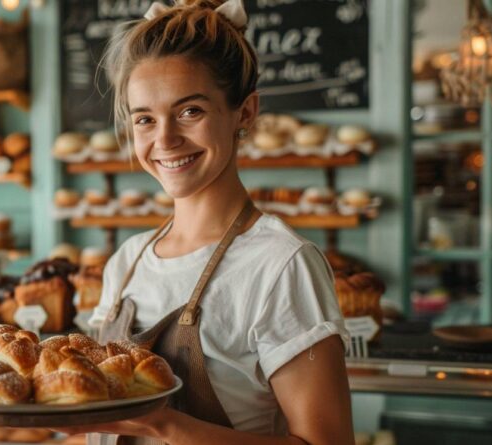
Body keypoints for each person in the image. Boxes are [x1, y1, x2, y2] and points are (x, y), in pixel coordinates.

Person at [56, 1, 354, 444]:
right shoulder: (128, 260)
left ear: (245, 113)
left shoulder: (280, 265)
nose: (165, 139)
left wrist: (165, 426)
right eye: (145, 119)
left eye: (190, 111)